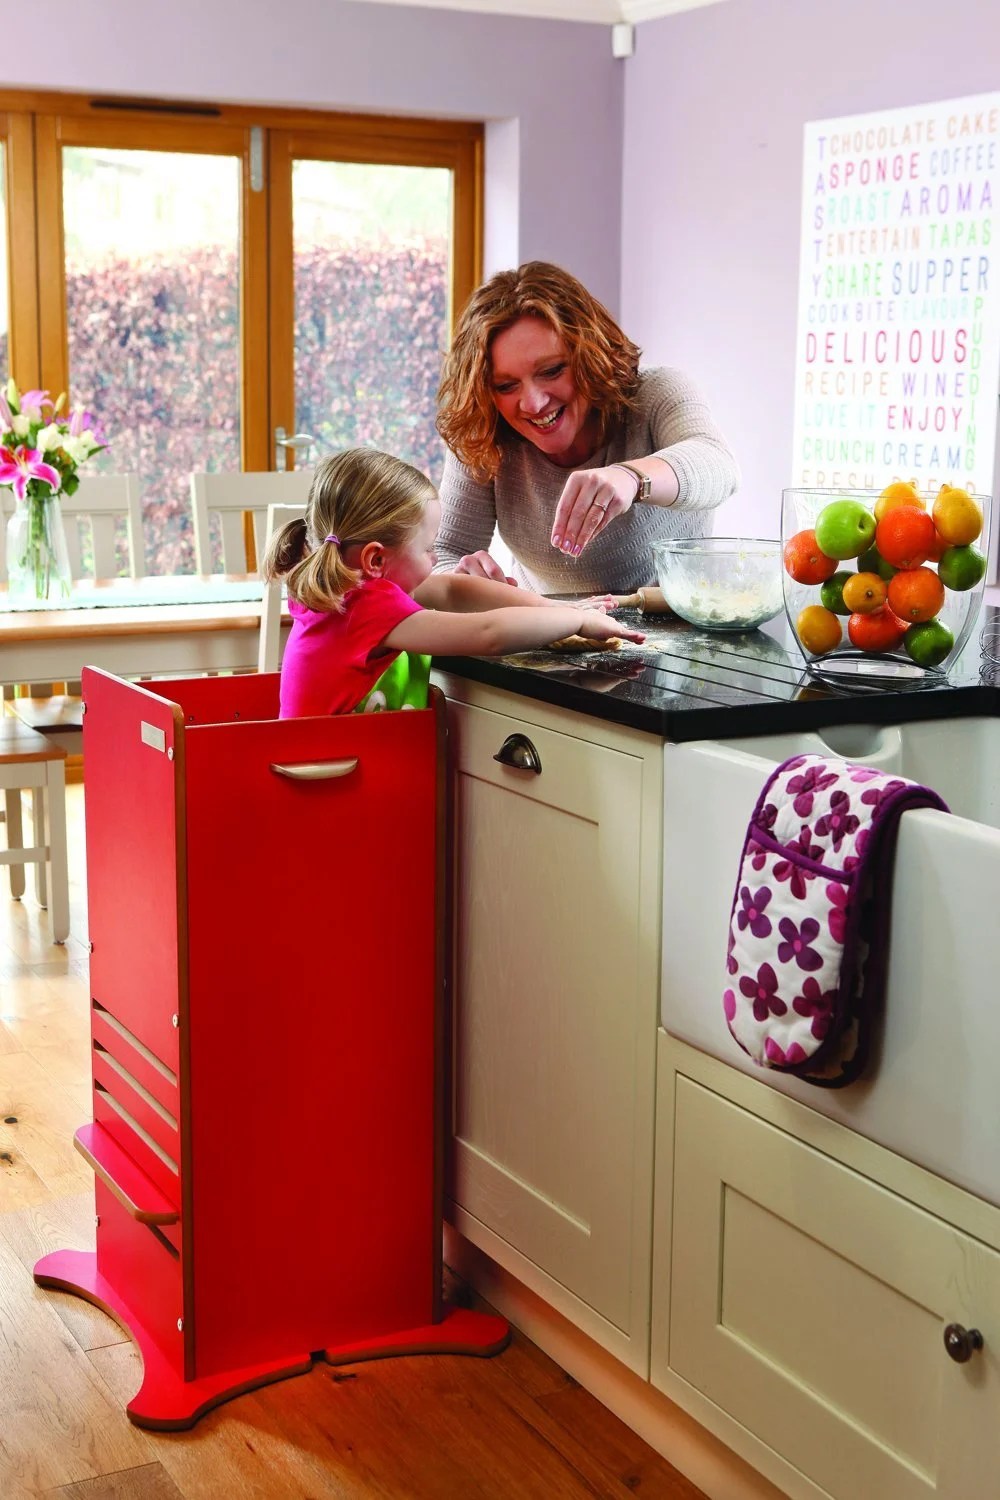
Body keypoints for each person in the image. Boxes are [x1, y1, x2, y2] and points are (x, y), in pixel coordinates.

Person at [262, 447, 643, 718]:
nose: (434, 559)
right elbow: (489, 634)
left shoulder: (336, 585)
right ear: (376, 559)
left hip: (317, 769)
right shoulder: (368, 605)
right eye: (428, 548)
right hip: (329, 777)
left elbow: (451, 589)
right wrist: (577, 621)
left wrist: (554, 606)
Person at [434, 260, 739, 595]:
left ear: (589, 355)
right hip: (548, 624)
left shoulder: (656, 392)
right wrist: (465, 582)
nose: (533, 403)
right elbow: (446, 552)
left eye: (552, 371)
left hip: (676, 620)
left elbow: (718, 466)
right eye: (506, 386)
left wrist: (631, 477)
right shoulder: (484, 430)